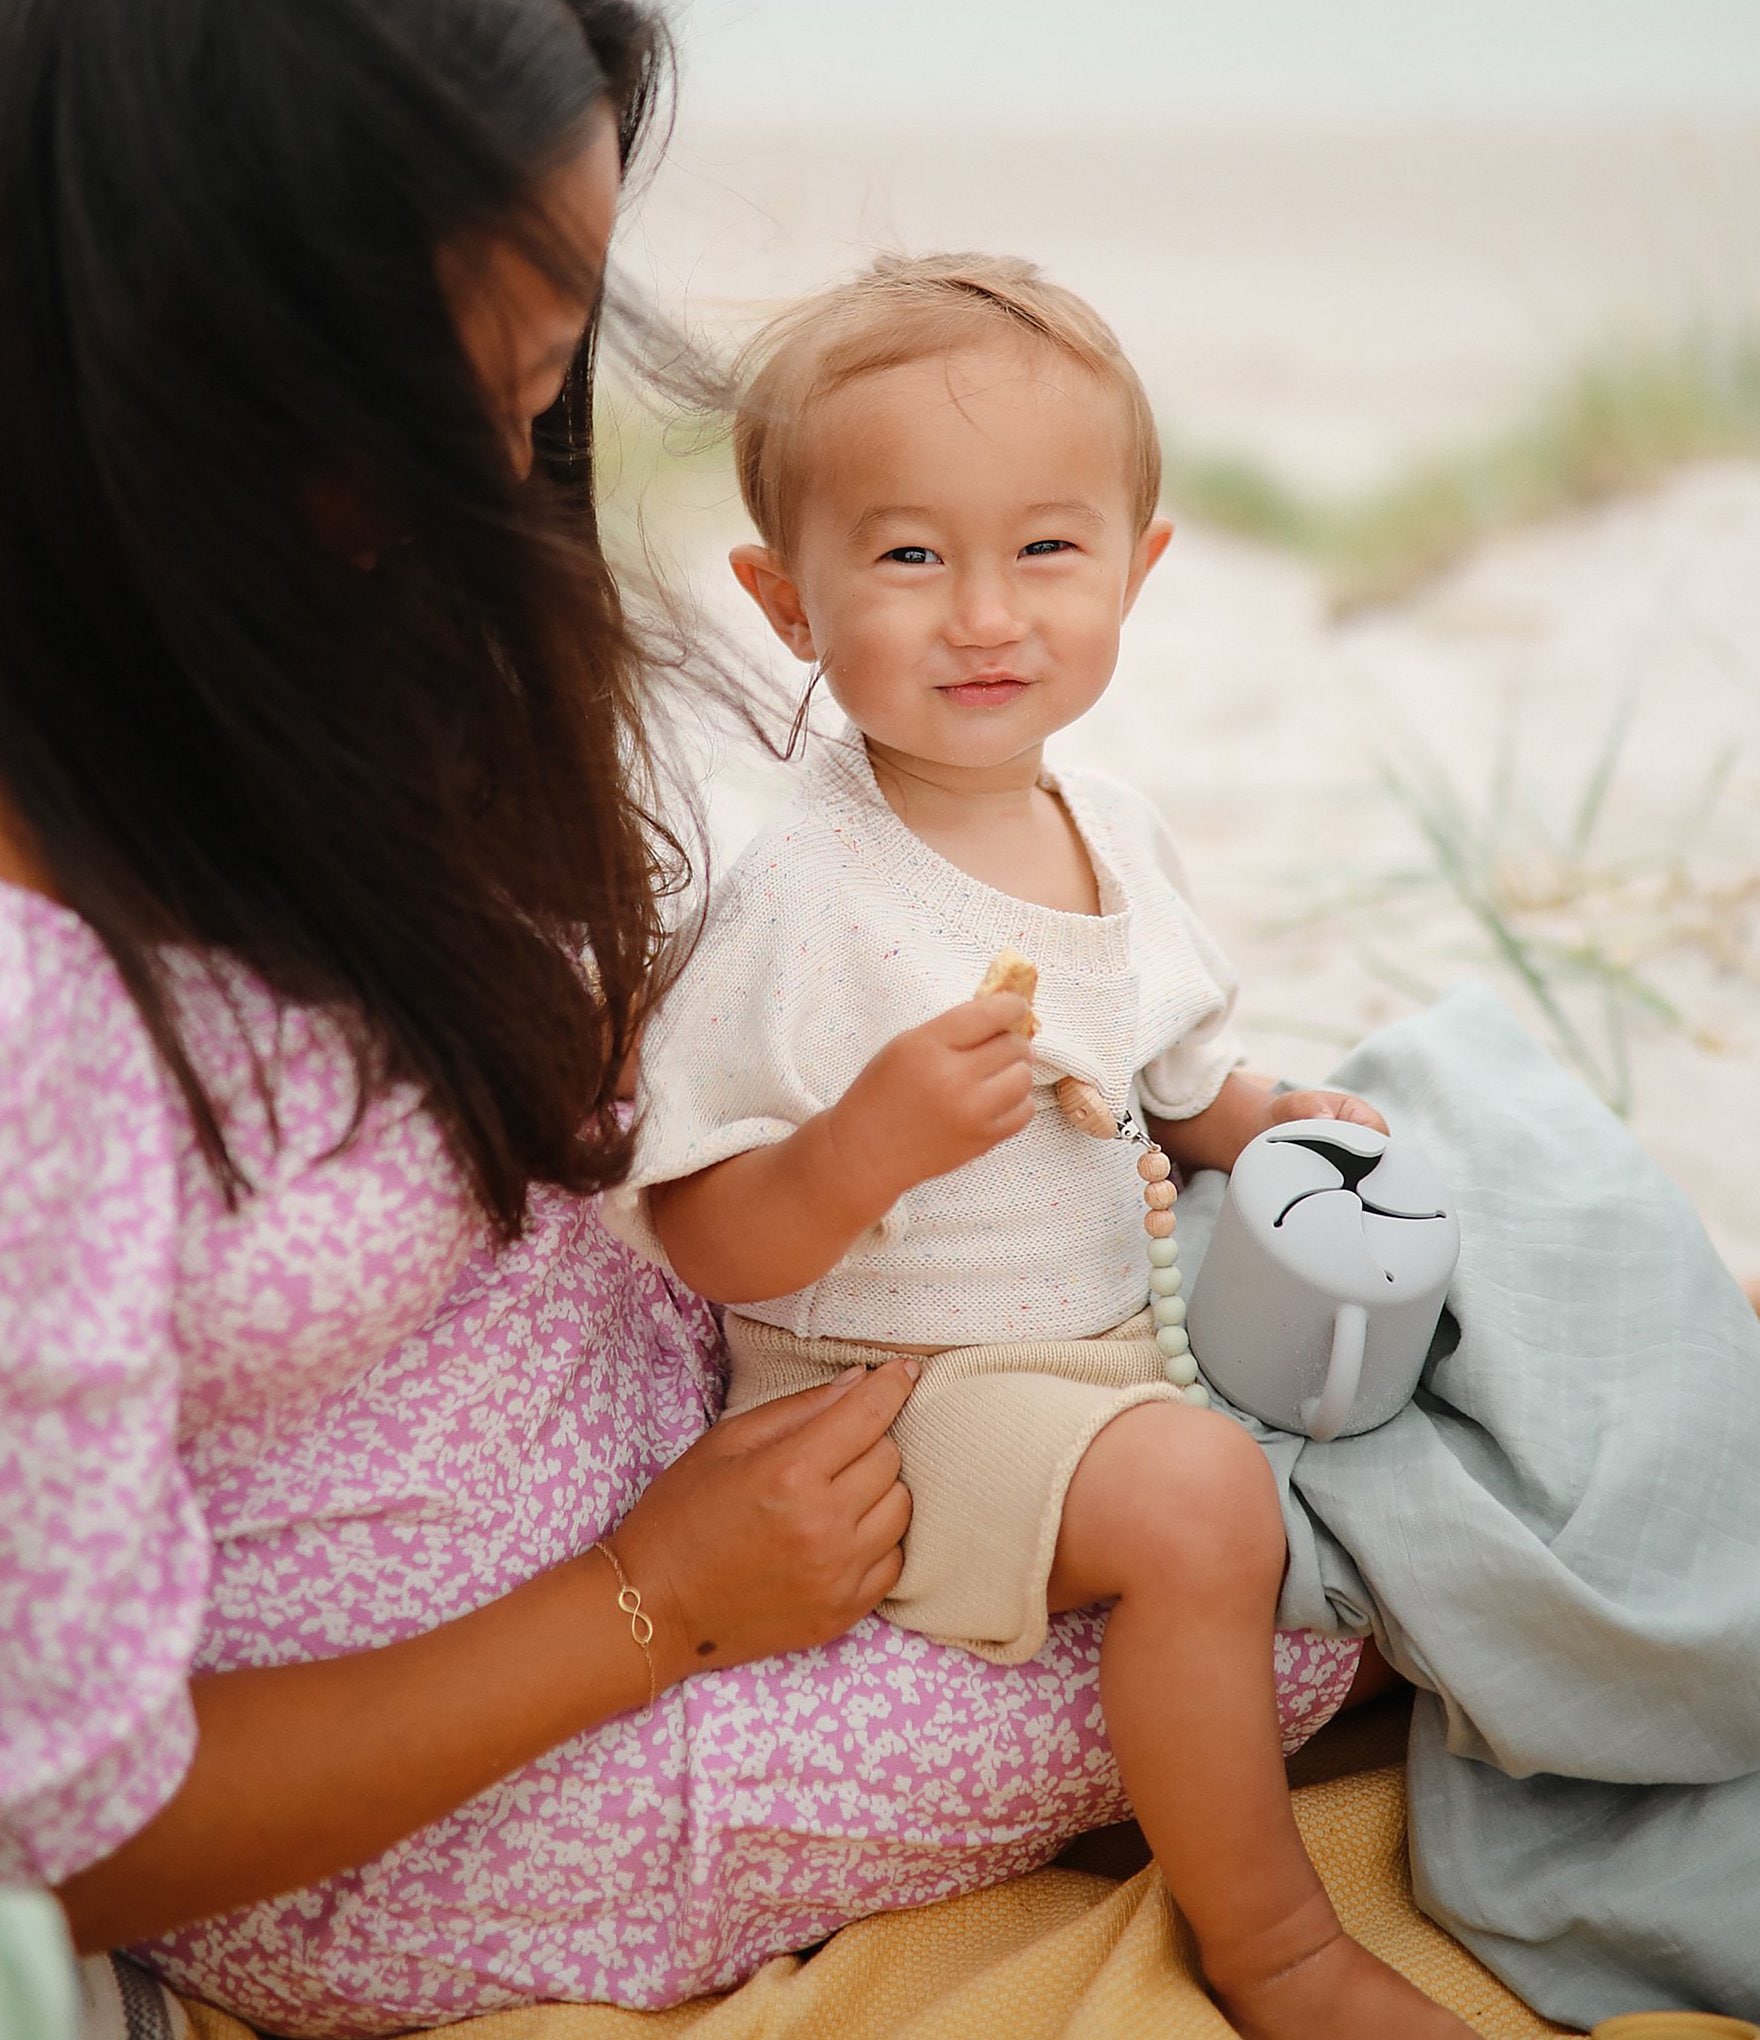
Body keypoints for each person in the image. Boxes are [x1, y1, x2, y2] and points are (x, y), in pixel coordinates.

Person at [0, 3, 1369, 2035]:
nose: (496, 483)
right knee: (1313, 1595)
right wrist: (654, 1603)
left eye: (543, 390)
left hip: (723, 1411)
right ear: (156, 363)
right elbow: (82, 1826)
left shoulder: (283, 667)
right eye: (441, 398)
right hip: (469, 1770)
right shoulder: (45, 1004)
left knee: (1389, 1341)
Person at [608, 255, 1469, 2040]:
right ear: (787, 600)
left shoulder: (1113, 823)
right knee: (1202, 1496)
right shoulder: (809, 898)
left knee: (1420, 1364)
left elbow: (1159, 1063)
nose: (984, 612)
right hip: (892, 1388)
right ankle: (1281, 1948)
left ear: (1138, 573)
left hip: (1087, 1345)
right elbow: (700, 1231)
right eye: (910, 555)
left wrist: (1252, 1118)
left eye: (1047, 551)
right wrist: (860, 1150)